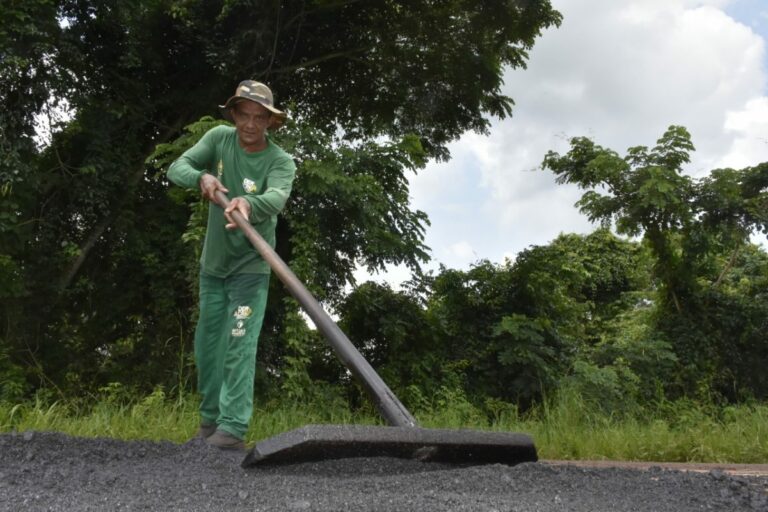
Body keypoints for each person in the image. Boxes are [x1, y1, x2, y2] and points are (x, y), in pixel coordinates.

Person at [167, 80, 297, 450]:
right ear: (234, 114)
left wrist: (248, 204)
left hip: (250, 271)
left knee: (239, 343)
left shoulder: (280, 162)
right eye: (245, 115)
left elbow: (276, 196)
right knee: (208, 347)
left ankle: (232, 429)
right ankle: (209, 425)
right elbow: (178, 168)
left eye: (260, 118)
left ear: (270, 122)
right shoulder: (219, 139)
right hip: (214, 268)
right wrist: (202, 177)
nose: (251, 124)